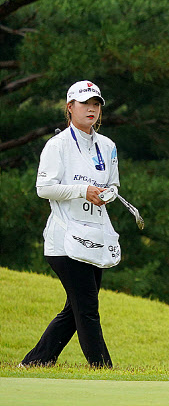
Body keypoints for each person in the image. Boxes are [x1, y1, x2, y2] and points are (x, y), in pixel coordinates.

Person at [20, 81, 120, 368]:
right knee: (87, 307)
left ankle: (36, 361)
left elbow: (113, 185)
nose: (91, 108)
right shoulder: (58, 145)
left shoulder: (108, 146)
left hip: (95, 237)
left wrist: (107, 194)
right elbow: (43, 188)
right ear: (70, 107)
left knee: (75, 309)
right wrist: (81, 191)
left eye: (96, 104)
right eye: (85, 103)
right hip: (64, 240)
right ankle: (102, 367)